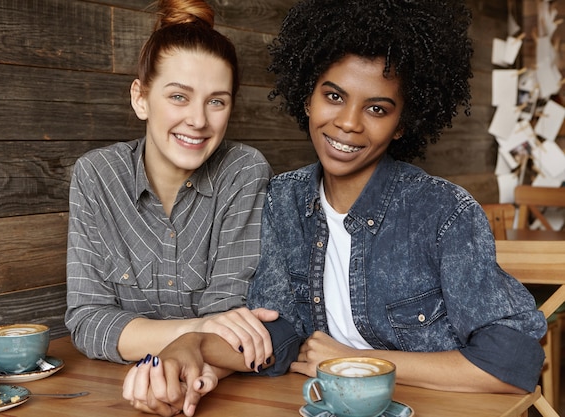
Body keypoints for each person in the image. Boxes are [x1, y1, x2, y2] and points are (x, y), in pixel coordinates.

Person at [122, 0, 548, 415]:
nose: (349, 123)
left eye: (377, 109)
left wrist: (350, 361)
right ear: (307, 97)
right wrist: (191, 348)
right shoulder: (282, 200)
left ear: (401, 125)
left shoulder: (442, 213)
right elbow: (278, 334)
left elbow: (512, 364)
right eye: (334, 96)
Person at [64, 0, 276, 376]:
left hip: (216, 386)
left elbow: (230, 318)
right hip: (114, 389)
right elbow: (88, 321)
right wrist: (194, 330)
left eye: (216, 102)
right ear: (140, 98)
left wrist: (198, 338)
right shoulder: (96, 175)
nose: (197, 120)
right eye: (179, 96)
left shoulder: (244, 172)